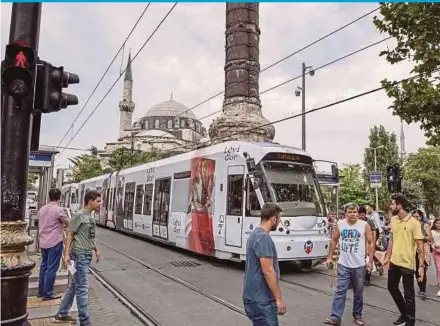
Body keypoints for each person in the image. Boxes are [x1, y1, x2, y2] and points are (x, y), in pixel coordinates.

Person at [54, 190, 102, 326]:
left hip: (87, 254)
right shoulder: (79, 216)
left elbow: (89, 236)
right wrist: (67, 254)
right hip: (80, 255)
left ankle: (61, 313)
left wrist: (96, 249)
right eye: (98, 201)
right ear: (90, 201)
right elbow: (70, 234)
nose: (100, 204)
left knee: (75, 285)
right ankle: (85, 321)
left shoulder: (91, 216)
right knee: (82, 288)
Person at [324, 203, 374, 326]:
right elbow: (334, 239)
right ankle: (335, 317)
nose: (352, 214)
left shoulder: (364, 225)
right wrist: (329, 257)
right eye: (350, 212)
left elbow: (370, 242)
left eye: (354, 212)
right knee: (340, 291)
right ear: (345, 213)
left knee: (358, 291)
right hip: (343, 264)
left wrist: (370, 261)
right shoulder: (340, 224)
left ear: (358, 213)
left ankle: (357, 315)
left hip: (359, 265)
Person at [383, 194, 424, 326]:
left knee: (409, 294)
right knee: (391, 287)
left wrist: (421, 267)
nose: (391, 206)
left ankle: (410, 322)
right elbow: (392, 240)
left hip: (407, 263)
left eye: (392, 204)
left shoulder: (414, 223)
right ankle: (404, 314)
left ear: (399, 205)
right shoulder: (393, 220)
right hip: (394, 262)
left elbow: (420, 246)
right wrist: (387, 257)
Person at [243, 202, 286, 326]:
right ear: (273, 219)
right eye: (279, 218)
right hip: (262, 300)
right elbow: (268, 271)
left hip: (253, 297)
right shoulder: (263, 238)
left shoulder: (254, 234)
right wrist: (278, 298)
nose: (279, 222)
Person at [37, 188, 70, 300]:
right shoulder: (58, 210)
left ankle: (41, 291)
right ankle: (48, 293)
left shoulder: (42, 209)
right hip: (55, 242)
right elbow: (67, 222)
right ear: (59, 197)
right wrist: (63, 225)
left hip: (43, 242)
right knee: (52, 268)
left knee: (44, 266)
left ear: (49, 196)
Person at [411, 210, 432, 299]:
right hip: (413, 250)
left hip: (423, 250)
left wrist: (421, 237)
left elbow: (429, 238)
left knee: (422, 269)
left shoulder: (425, 225)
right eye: (414, 216)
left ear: (421, 217)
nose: (416, 218)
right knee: (417, 271)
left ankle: (422, 290)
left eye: (417, 216)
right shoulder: (410, 225)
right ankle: (421, 288)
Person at [358, 206, 376, 286]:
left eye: (362, 215)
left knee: (368, 260)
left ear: (365, 214)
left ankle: (367, 278)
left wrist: (373, 244)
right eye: (360, 215)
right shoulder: (356, 221)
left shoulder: (369, 221)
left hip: (368, 242)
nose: (361, 216)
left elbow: (374, 234)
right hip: (360, 244)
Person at [431, 218, 440, 297]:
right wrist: (434, 246)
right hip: (436, 253)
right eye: (436, 223)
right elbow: (430, 242)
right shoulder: (432, 232)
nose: (438, 225)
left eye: (439, 223)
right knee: (439, 270)